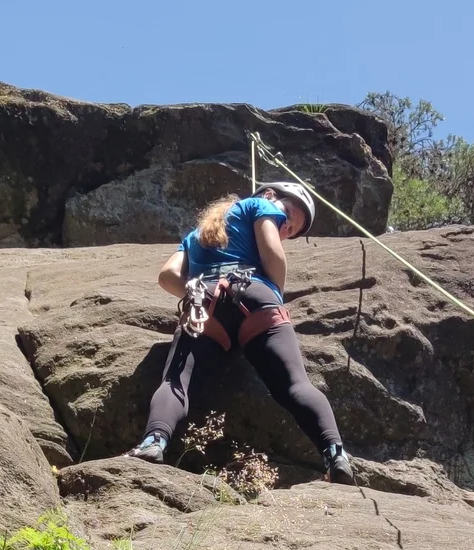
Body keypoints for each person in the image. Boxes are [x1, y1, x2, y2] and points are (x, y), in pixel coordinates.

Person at [130, 179, 357, 482]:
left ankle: (154, 442)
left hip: (204, 300)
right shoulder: (260, 204)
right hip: (255, 296)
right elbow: (273, 259)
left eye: (292, 229)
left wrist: (201, 290)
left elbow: (167, 276)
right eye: (287, 216)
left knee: (176, 381)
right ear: (269, 195)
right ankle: (335, 455)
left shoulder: (195, 236)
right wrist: (271, 294)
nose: (286, 227)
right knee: (294, 385)